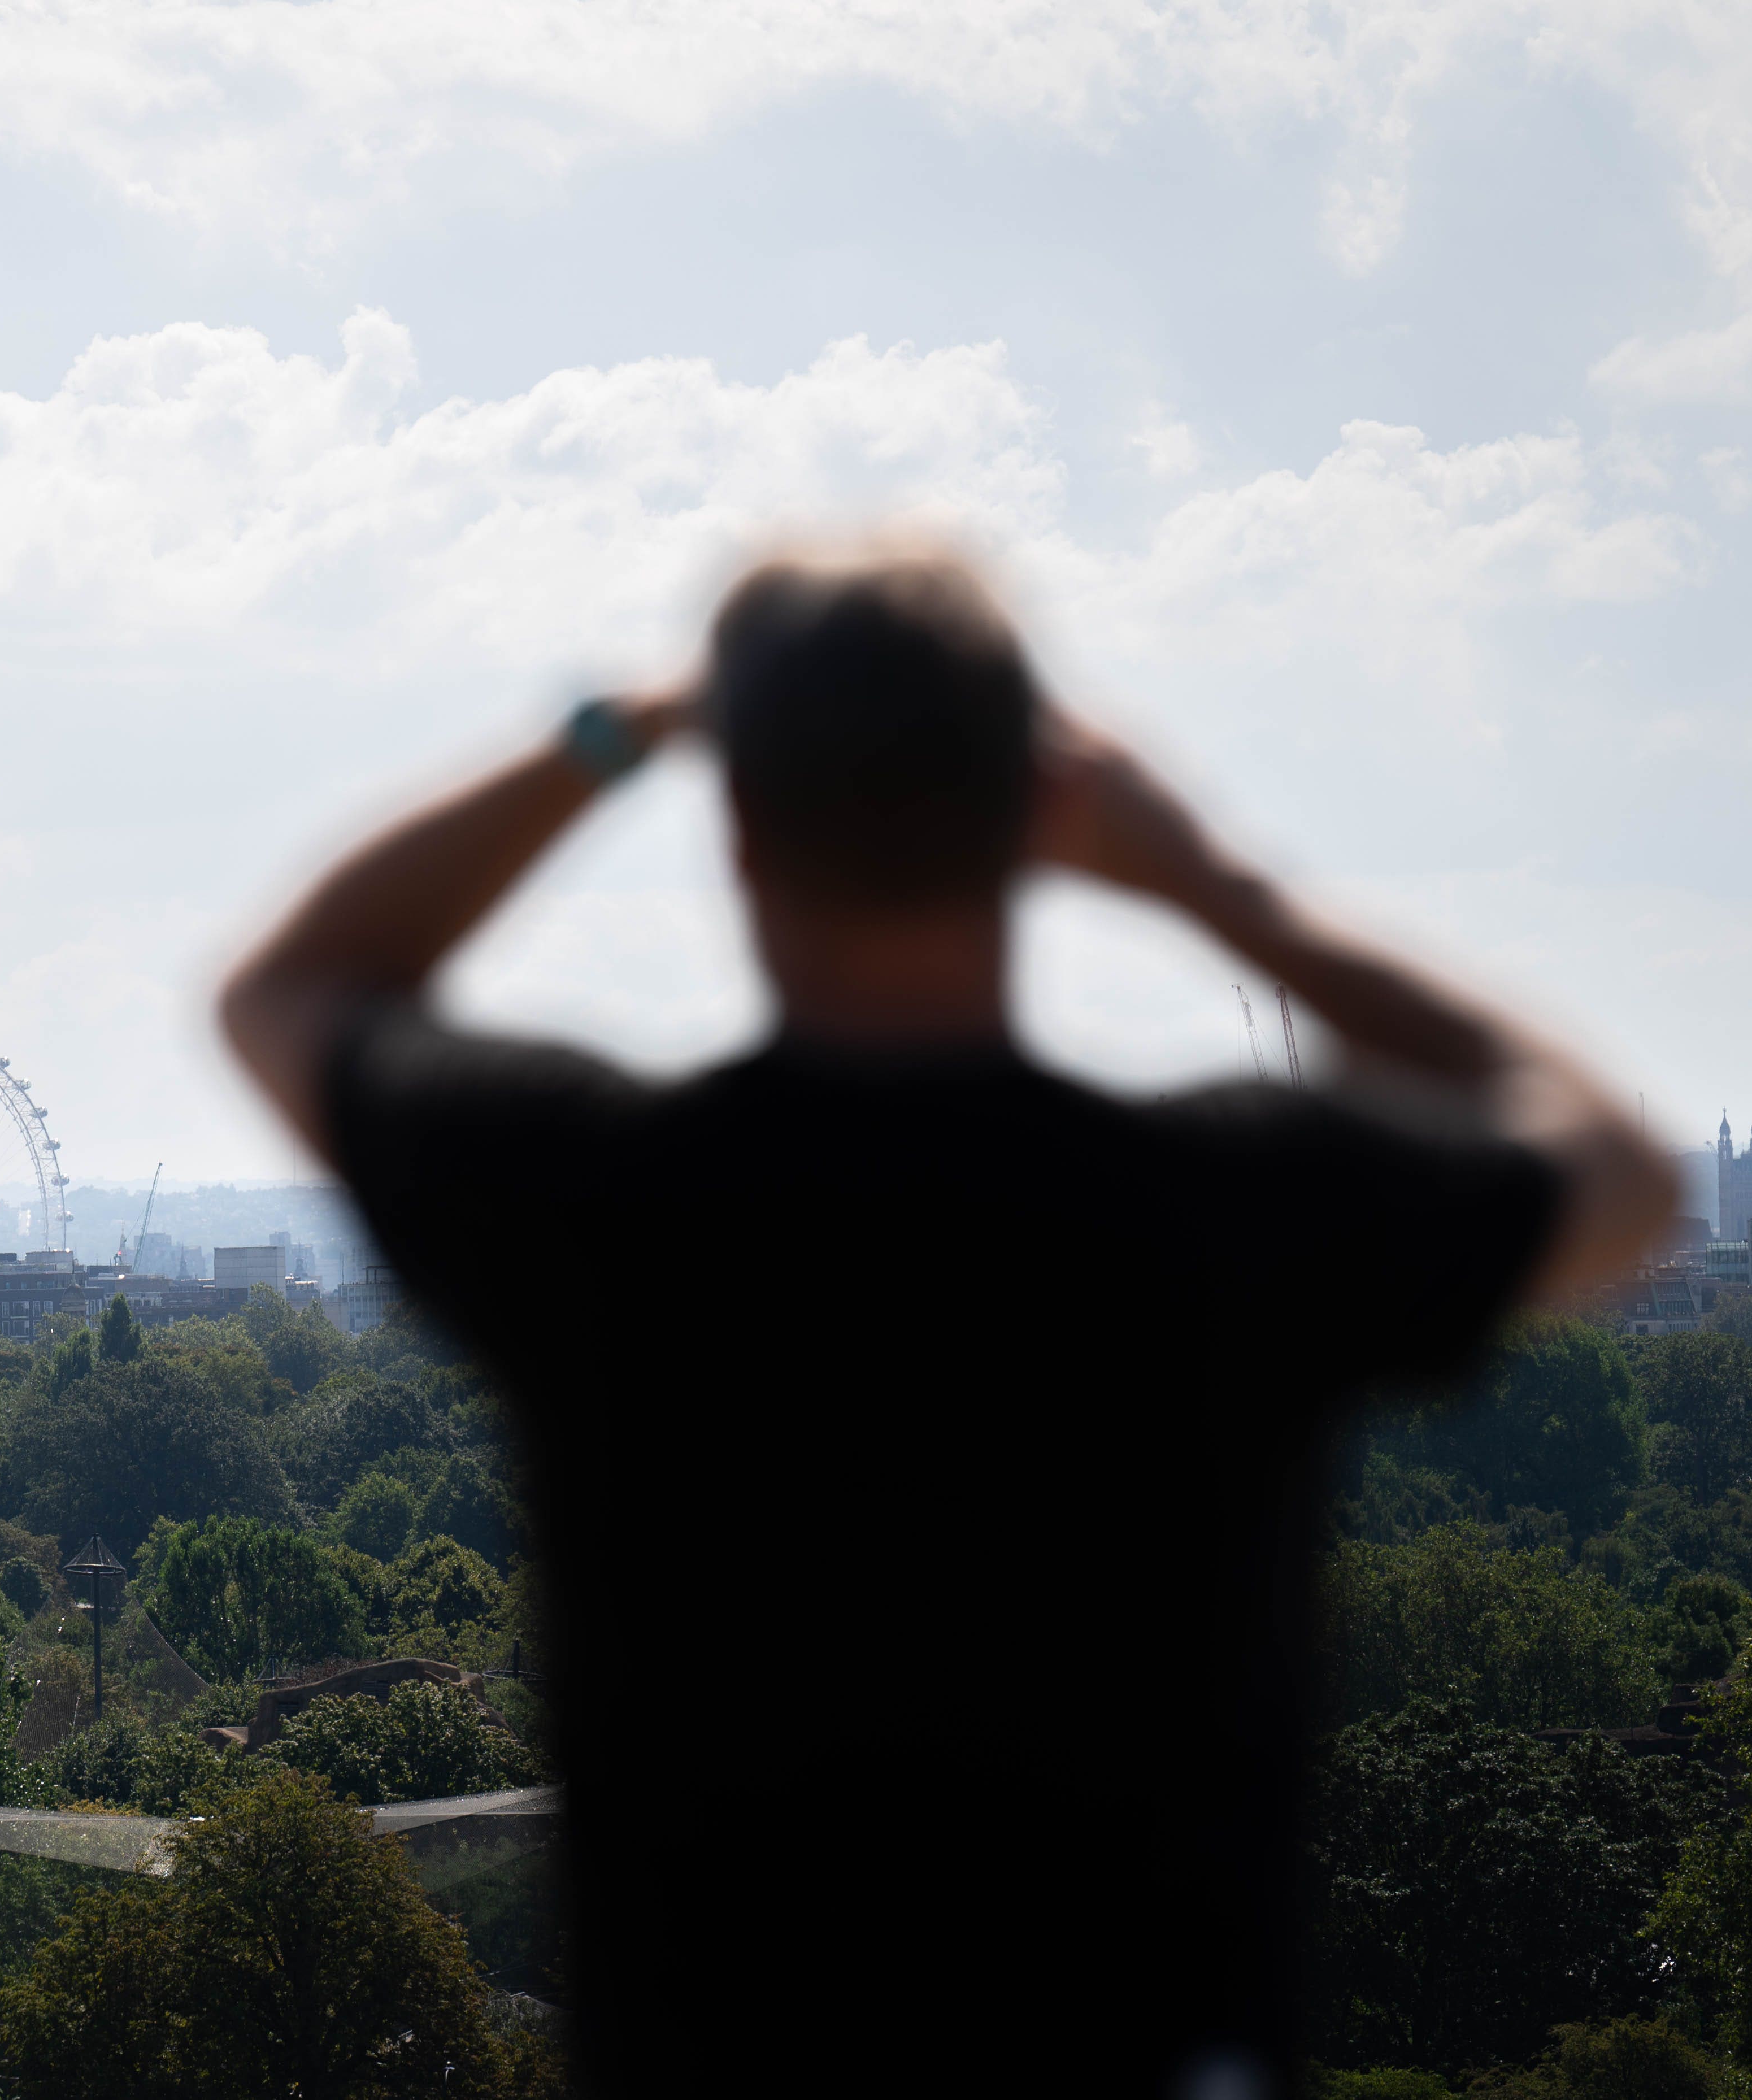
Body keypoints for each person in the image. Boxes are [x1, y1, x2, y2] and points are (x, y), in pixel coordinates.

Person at [218, 547, 1672, 2097]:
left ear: (742, 835)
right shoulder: (1222, 1208)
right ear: (1037, 823)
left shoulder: (610, 1201)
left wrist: (622, 729)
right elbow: (1623, 1177)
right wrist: (1218, 885)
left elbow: (290, 987)